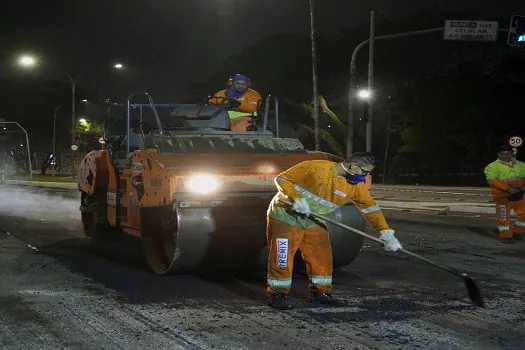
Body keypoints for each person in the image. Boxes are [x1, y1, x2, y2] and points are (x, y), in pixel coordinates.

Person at [265, 152, 403, 310]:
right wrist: (297, 198)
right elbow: (282, 179)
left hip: (313, 220)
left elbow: (370, 208)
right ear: (352, 166)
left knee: (321, 257)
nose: (365, 176)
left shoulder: (356, 186)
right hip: (285, 216)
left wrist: (386, 233)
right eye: (364, 172)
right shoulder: (314, 167)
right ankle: (277, 294)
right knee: (282, 256)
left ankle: (320, 293)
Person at [483, 145, 525, 243]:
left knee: (524, 215)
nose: (506, 156)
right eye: (503, 154)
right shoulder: (491, 167)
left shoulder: (522, 165)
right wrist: (509, 189)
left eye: (508, 154)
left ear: (512, 153)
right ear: (499, 154)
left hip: (520, 194)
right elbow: (493, 181)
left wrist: (523, 189)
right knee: (503, 216)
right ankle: (506, 235)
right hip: (502, 196)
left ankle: (516, 231)